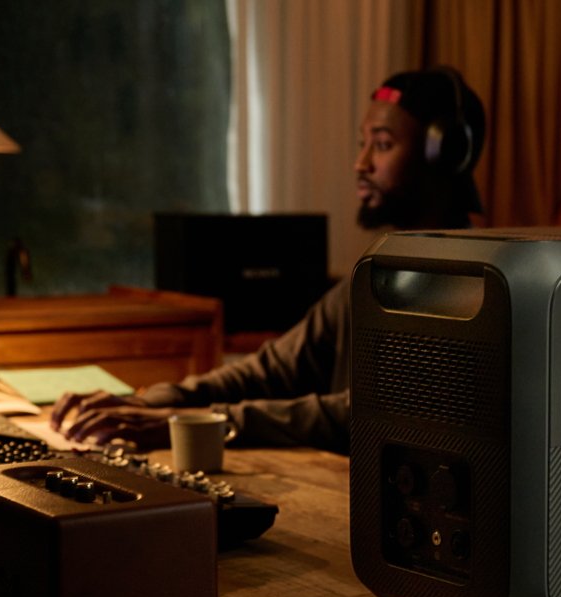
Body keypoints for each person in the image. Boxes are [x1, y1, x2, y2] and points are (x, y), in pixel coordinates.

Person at [50, 66, 486, 455]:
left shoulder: (471, 291)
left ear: (443, 155)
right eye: (362, 144)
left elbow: (371, 411)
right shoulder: (377, 275)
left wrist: (197, 423)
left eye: (383, 145)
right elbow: (275, 367)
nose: (360, 163)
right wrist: (158, 399)